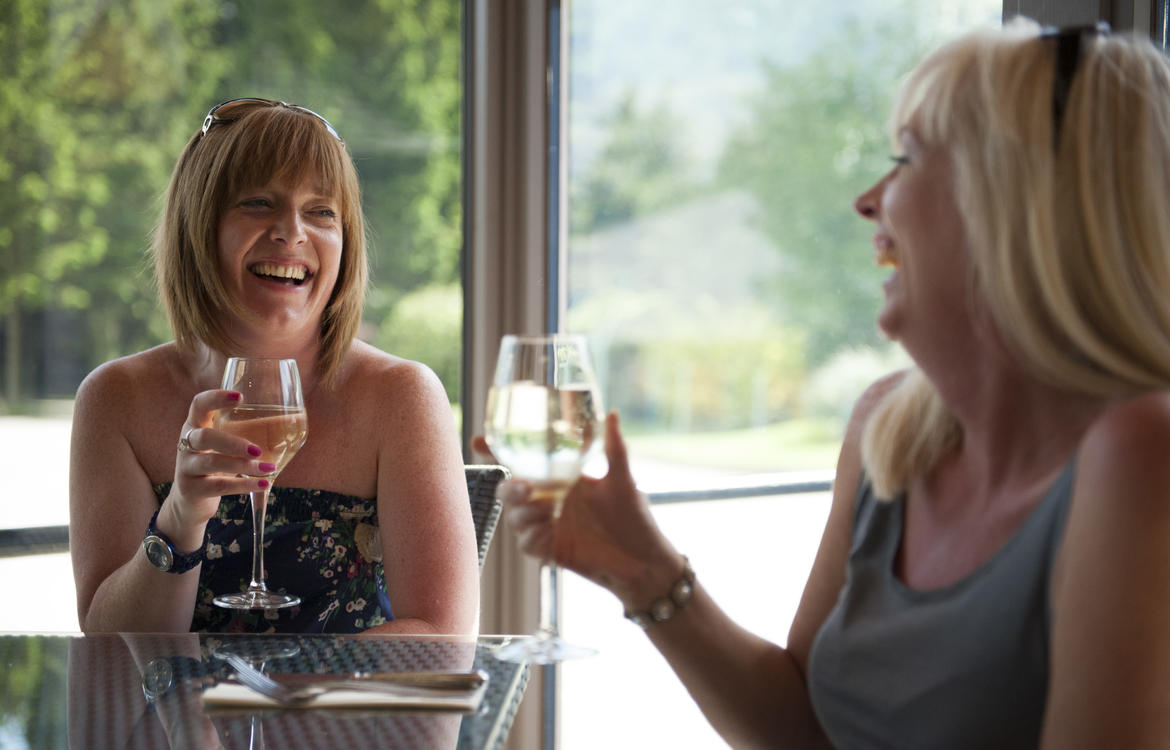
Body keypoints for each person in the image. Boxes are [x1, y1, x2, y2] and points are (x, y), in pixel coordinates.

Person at [484, 19, 1170, 748]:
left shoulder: (1142, 454)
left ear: (1016, 200)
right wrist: (642, 572)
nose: (869, 200)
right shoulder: (891, 432)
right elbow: (803, 732)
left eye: (906, 159)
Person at [70, 98, 479, 635]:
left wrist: (275, 701)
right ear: (199, 227)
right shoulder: (115, 398)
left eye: (321, 211)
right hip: (177, 723)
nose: (292, 232)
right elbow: (108, 646)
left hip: (349, 718)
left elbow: (440, 634)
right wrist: (181, 516)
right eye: (259, 203)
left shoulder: (402, 396)